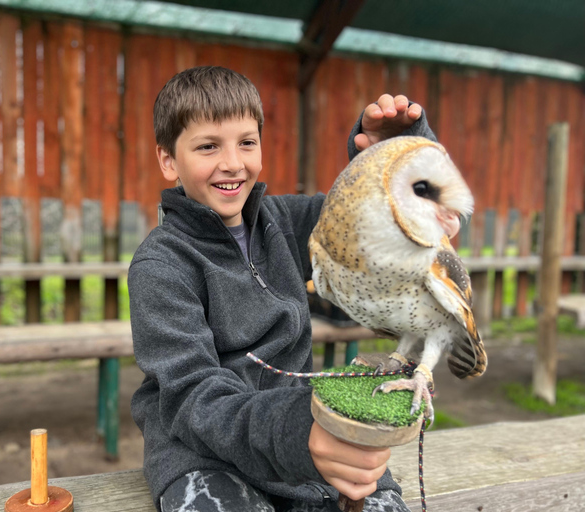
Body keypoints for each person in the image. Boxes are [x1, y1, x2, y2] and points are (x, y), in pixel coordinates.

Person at [128, 65, 436, 512]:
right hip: (206, 456)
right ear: (168, 159)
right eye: (208, 146)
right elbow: (194, 399)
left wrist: (394, 159)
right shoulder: (160, 266)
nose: (233, 163)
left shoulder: (285, 223)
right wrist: (301, 433)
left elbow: (378, 228)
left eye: (247, 142)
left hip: (306, 435)